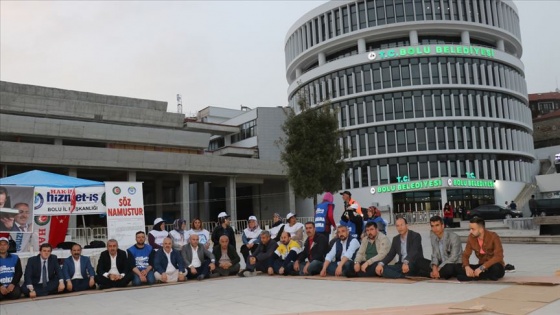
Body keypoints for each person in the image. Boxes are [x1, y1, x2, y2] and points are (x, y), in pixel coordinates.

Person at [458, 217, 505, 281]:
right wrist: (467, 267)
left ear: (481, 229)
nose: (470, 231)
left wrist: (482, 267)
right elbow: (465, 255)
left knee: (496, 269)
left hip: (495, 266)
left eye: (473, 229)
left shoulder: (493, 236)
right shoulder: (471, 237)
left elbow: (499, 256)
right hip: (481, 266)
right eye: (470, 229)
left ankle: (473, 276)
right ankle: (480, 275)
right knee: (458, 267)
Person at [0, 236, 22, 300]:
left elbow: (19, 272)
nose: (2, 247)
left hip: (11, 284)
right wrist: (0, 286)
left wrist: (12, 284)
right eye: (0, 244)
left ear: (8, 247)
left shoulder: (15, 257)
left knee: (16, 294)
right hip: (0, 285)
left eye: (5, 244)